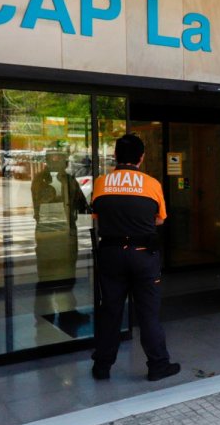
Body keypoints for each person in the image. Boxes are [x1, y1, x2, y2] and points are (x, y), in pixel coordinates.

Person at [90, 134, 181, 382]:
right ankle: (158, 365)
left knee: (110, 311)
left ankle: (102, 366)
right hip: (143, 255)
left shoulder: (101, 183)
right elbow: (160, 219)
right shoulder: (151, 184)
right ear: (142, 157)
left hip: (110, 255)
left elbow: (97, 216)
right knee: (148, 313)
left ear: (116, 156)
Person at [31, 149, 89, 320]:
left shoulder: (68, 180)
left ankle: (66, 312)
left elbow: (81, 204)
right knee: (47, 277)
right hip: (50, 234)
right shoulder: (42, 181)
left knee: (66, 275)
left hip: (64, 234)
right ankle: (46, 313)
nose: (60, 165)